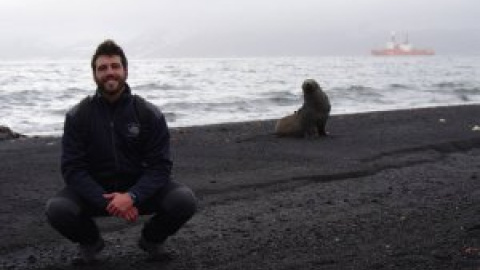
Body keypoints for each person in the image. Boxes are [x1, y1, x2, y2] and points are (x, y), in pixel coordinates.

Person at [45, 39, 197, 264]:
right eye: (102, 68)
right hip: (95, 194)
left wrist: (132, 196)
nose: (110, 72)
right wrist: (109, 201)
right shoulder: (78, 116)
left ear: (125, 70)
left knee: (184, 201)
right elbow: (72, 169)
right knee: (57, 209)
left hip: (140, 190)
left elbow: (160, 167)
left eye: (115, 66)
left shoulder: (148, 113)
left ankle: (151, 239)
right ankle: (90, 241)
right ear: (94, 74)